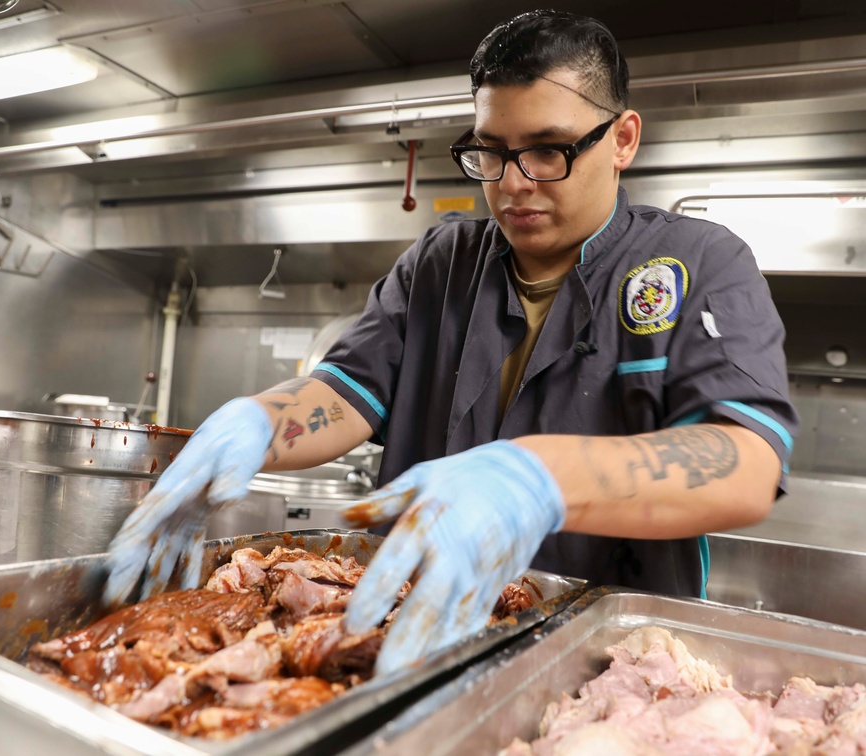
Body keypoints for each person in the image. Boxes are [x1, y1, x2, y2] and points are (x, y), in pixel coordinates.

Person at [104, 9, 798, 677]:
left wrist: (540, 478)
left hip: (607, 662)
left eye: (548, 151)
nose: (514, 184)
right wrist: (258, 421)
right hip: (415, 639)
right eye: (490, 154)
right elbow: (345, 393)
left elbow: (745, 461)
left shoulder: (698, 261)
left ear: (621, 139)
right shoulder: (442, 260)